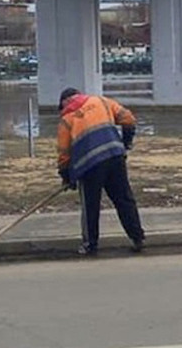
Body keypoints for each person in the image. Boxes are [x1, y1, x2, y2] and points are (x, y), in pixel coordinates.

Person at [56, 87, 146, 256]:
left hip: (89, 166)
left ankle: (90, 245)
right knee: (124, 199)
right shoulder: (102, 102)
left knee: (91, 205)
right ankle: (137, 238)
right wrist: (125, 143)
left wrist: (66, 175)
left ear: (64, 102)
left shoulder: (67, 119)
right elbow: (129, 119)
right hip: (114, 157)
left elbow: (64, 153)